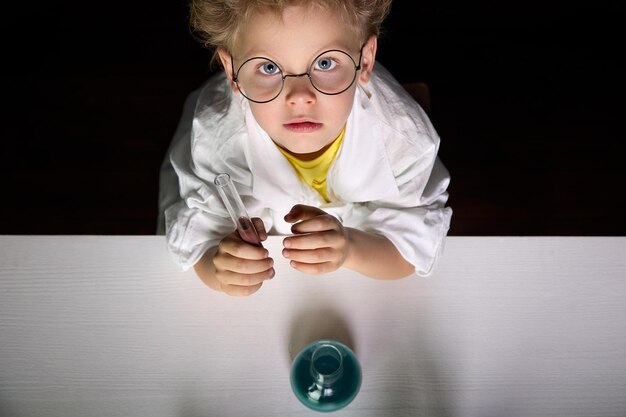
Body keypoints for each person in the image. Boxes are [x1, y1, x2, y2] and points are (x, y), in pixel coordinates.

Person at [158, 0, 453, 296]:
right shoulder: (215, 139)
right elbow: (201, 241)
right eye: (269, 67)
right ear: (232, 71)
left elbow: (411, 249)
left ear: (364, 61)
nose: (300, 97)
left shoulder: (404, 140)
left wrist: (351, 249)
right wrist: (222, 270)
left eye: (325, 63)